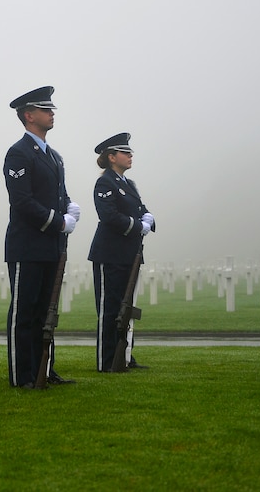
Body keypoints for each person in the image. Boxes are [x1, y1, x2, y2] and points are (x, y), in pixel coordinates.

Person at [3, 86, 80, 389]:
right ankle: (22, 375)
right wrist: (58, 221)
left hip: (51, 246)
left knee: (46, 312)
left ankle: (44, 369)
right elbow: (23, 202)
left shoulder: (54, 156)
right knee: (25, 312)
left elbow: (57, 195)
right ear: (29, 115)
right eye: (45, 109)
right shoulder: (19, 153)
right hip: (28, 245)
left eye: (51, 109)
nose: (52, 113)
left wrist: (69, 206)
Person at [88, 132, 155, 372]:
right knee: (110, 309)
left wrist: (148, 217)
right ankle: (107, 361)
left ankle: (125, 355)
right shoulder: (105, 182)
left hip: (130, 254)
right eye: (125, 152)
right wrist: (139, 225)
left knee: (127, 307)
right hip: (110, 254)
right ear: (112, 157)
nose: (130, 156)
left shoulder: (128, 184)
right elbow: (109, 216)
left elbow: (141, 209)